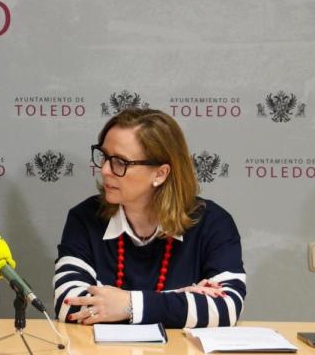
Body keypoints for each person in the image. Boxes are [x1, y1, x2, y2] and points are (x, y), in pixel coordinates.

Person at [54, 108, 246, 328]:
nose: (105, 169)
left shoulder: (214, 223)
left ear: (160, 174)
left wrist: (128, 304)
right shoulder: (85, 218)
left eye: (120, 162)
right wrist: (179, 298)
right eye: (104, 156)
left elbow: (226, 308)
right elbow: (68, 304)